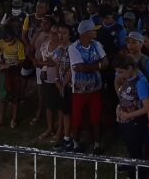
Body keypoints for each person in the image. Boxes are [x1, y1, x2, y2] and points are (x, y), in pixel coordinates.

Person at [68, 19, 109, 154]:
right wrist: (97, 66)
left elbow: (105, 63)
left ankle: (97, 145)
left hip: (96, 89)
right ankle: (76, 144)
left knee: (96, 117)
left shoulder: (97, 44)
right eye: (93, 30)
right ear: (86, 32)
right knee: (77, 118)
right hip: (79, 91)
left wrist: (89, 67)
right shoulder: (73, 48)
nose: (95, 32)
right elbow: (81, 68)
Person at [114, 53, 149, 178]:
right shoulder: (128, 77)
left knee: (136, 150)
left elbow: (147, 108)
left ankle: (135, 173)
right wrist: (120, 107)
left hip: (136, 123)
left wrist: (128, 116)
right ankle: (131, 164)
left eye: (121, 72)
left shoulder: (140, 83)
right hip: (127, 121)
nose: (119, 75)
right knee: (131, 148)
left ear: (130, 68)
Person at [0, 25, 25, 128]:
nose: (6, 40)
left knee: (14, 97)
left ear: (12, 34)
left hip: (14, 74)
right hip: (2, 73)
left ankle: (13, 118)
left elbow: (22, 59)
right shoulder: (0, 43)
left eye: (7, 37)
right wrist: (1, 65)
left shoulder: (19, 45)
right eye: (4, 38)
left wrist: (17, 63)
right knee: (1, 98)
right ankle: (1, 118)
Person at [38, 25, 63, 142]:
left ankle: (59, 130)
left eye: (56, 33)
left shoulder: (64, 47)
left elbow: (51, 63)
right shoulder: (45, 44)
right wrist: (43, 67)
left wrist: (44, 64)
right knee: (48, 105)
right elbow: (41, 60)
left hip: (60, 81)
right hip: (47, 79)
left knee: (60, 106)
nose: (53, 35)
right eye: (52, 32)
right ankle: (50, 128)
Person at [51, 24, 74, 151]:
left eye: (64, 33)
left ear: (70, 34)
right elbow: (56, 65)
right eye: (59, 32)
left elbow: (71, 68)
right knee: (65, 111)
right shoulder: (59, 48)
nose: (60, 35)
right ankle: (66, 137)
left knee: (69, 111)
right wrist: (57, 81)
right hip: (61, 84)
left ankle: (71, 137)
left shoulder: (73, 48)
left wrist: (63, 85)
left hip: (70, 85)